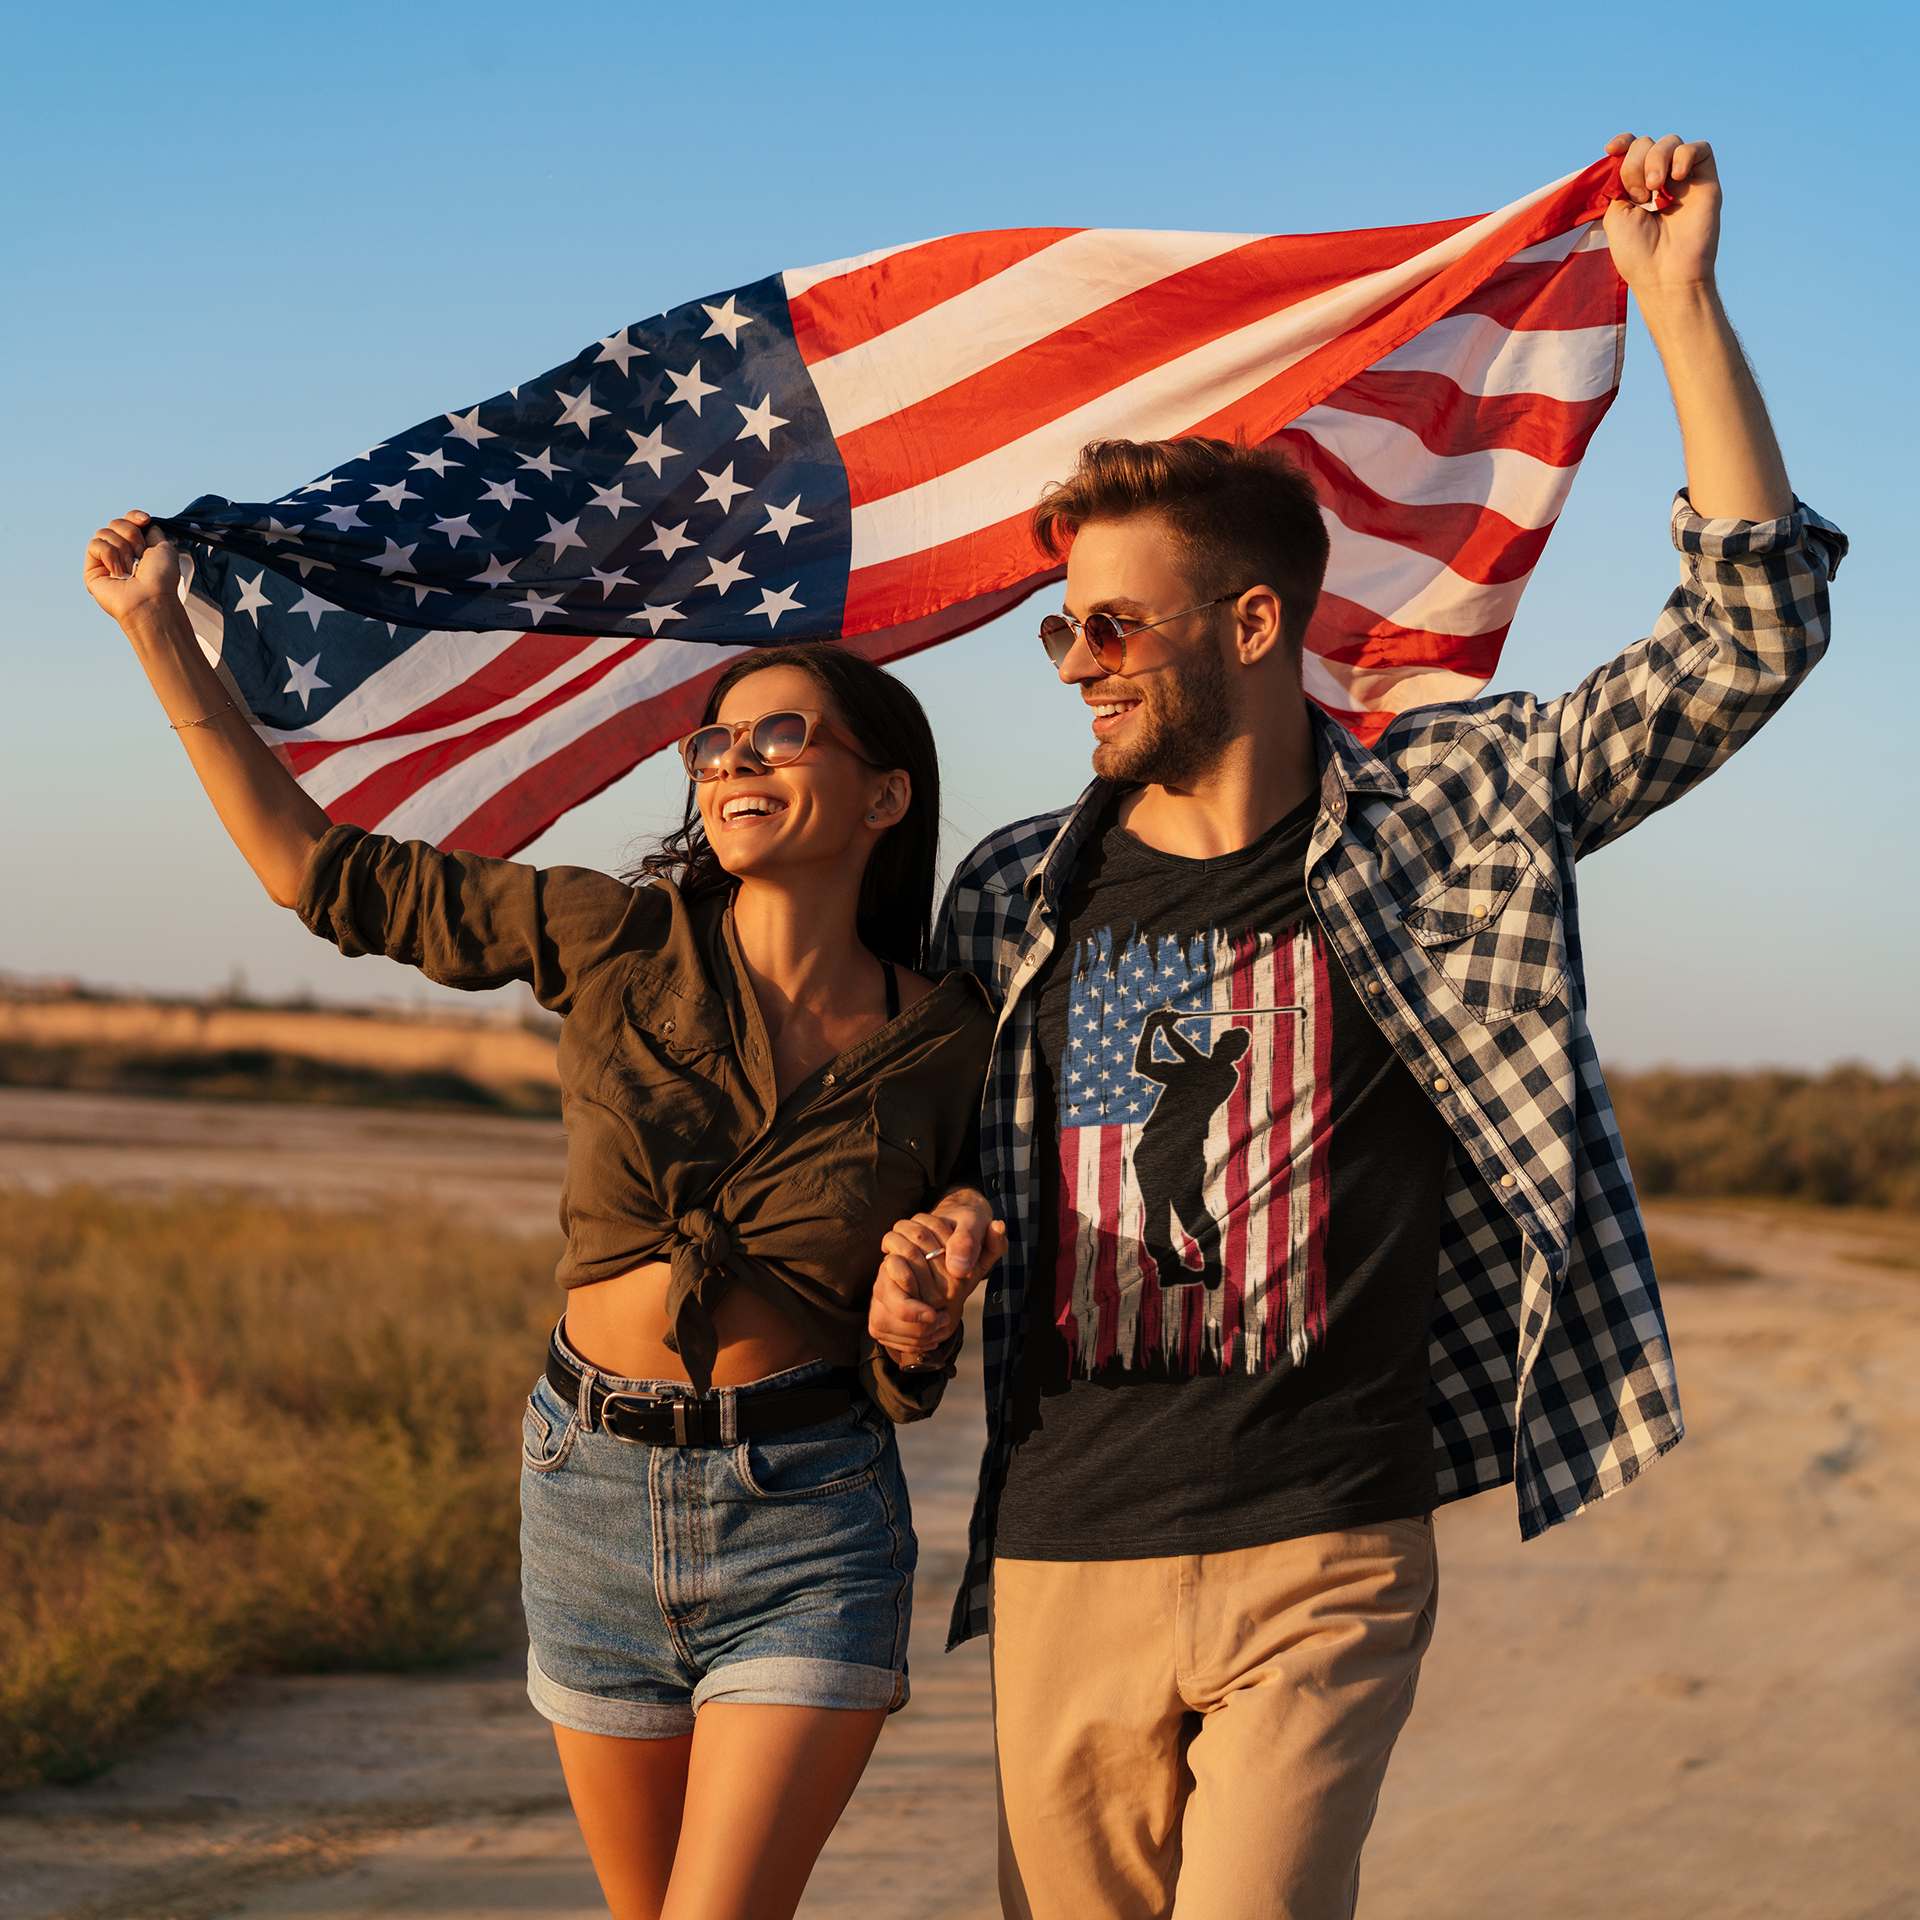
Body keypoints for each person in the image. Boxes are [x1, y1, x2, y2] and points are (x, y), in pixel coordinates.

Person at [888, 131, 1848, 1917]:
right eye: (1062, 634)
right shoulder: (1012, 892)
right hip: (1065, 1549)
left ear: (1253, 621)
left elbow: (1747, 637)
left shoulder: (1445, 815)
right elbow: (938, 1185)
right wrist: (922, 1269)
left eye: (1114, 628)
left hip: (1322, 1543)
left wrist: (1678, 305)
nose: (1078, 663)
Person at [76, 526, 1003, 1920]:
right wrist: (156, 629)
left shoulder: (953, 1039)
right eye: (715, 743)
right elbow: (316, 872)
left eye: (781, 734)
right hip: (587, 1492)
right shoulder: (614, 936)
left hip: (807, 1513)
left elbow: (929, 1303)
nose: (732, 761)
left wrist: (922, 1312)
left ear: (886, 794)